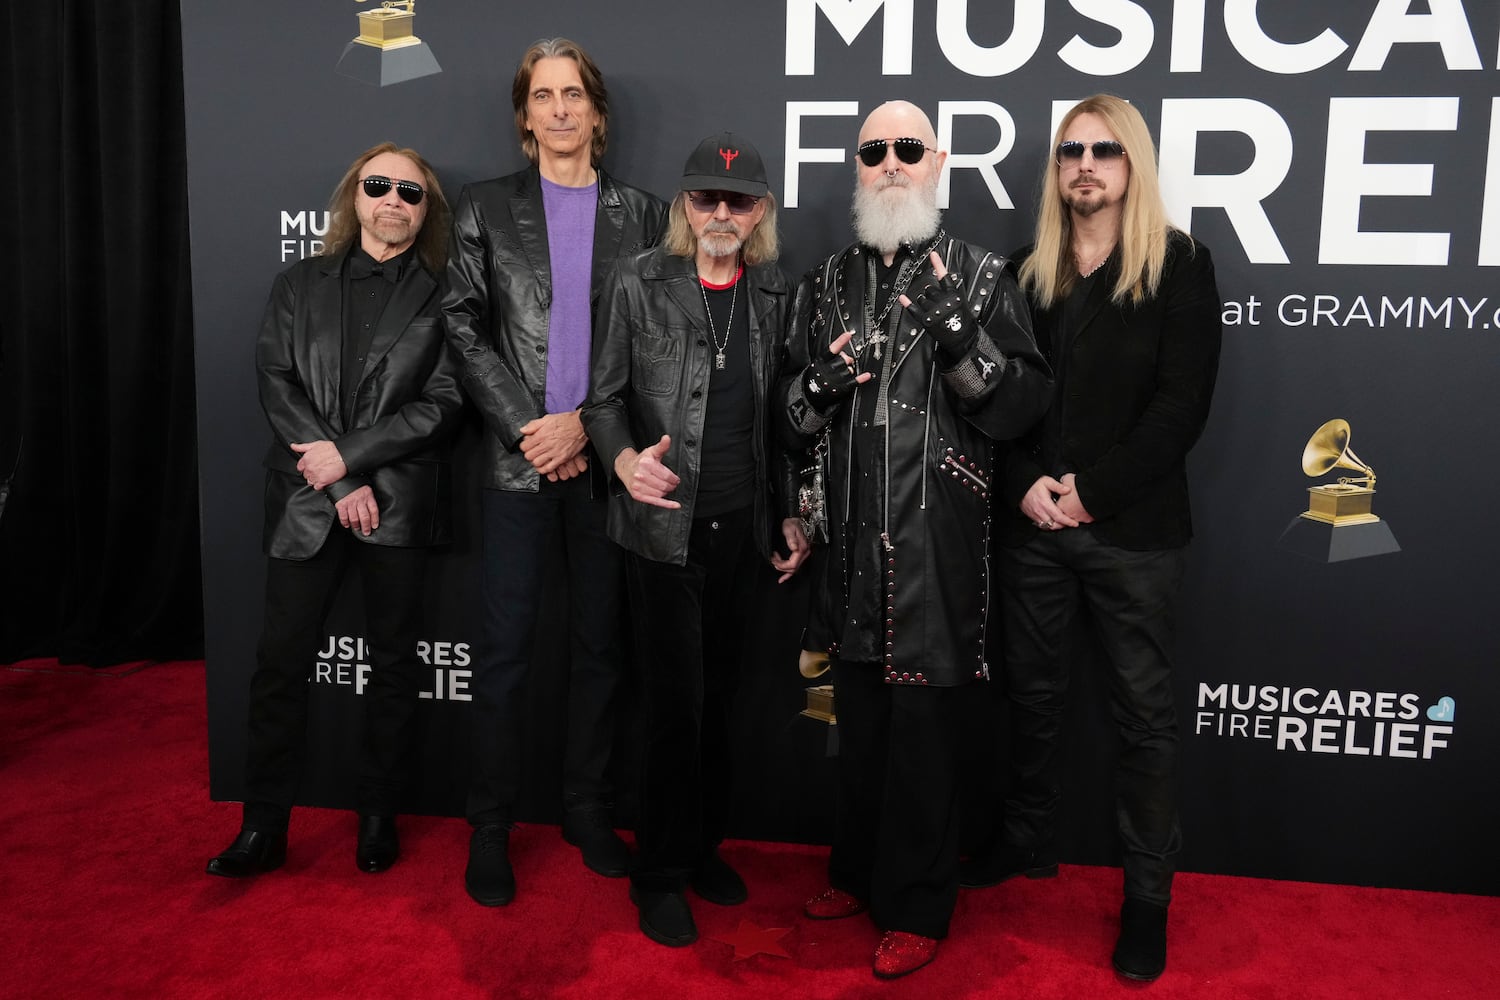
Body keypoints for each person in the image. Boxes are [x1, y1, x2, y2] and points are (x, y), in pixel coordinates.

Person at [781, 101, 1051, 979]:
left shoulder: (979, 276)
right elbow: (785, 418)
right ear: (856, 169)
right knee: (860, 730)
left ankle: (920, 905)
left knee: (926, 742)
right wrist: (818, 385)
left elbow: (1016, 408)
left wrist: (958, 334)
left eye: (907, 148)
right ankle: (856, 874)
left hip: (936, 549)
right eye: (873, 151)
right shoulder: (822, 284)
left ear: (937, 163)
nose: (890, 163)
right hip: (849, 543)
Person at [962, 94, 1222, 982]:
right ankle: (1026, 840)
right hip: (1033, 528)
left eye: (1104, 151)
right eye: (1071, 150)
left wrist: (1092, 495)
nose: (1085, 165)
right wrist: (1025, 483)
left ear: (1132, 164)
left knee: (1144, 723)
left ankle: (1148, 896)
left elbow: (1180, 409)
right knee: (1030, 701)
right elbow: (992, 403)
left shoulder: (1180, 267)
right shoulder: (1021, 272)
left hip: (1134, 536)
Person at [442, 38, 667, 906]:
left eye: (575, 94)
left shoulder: (644, 215)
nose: (562, 109)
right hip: (518, 463)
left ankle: (585, 809)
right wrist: (529, 427)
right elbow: (461, 327)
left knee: (601, 651)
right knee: (501, 656)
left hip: (605, 463)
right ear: (526, 115)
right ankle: (490, 827)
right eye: (546, 95)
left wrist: (585, 428)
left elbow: (655, 338)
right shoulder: (483, 209)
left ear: (598, 114)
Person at [207, 142, 462, 878]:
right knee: (279, 666)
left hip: (400, 506)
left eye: (410, 192)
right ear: (355, 195)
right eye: (378, 185)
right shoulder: (298, 283)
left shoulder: (446, 298)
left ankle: (378, 817)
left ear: (424, 210)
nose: (392, 200)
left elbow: (444, 405)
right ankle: (263, 826)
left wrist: (350, 460)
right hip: (307, 500)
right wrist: (335, 477)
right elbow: (276, 380)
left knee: (392, 667)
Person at [583, 132, 810, 948]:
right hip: (660, 535)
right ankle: (660, 875)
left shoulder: (778, 295)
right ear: (684, 206)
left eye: (738, 200)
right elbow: (601, 400)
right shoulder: (641, 282)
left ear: (760, 215)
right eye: (706, 199)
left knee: (720, 706)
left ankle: (701, 848)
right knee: (672, 711)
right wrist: (621, 461)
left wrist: (788, 511)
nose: (721, 213)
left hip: (740, 532)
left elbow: (778, 427)